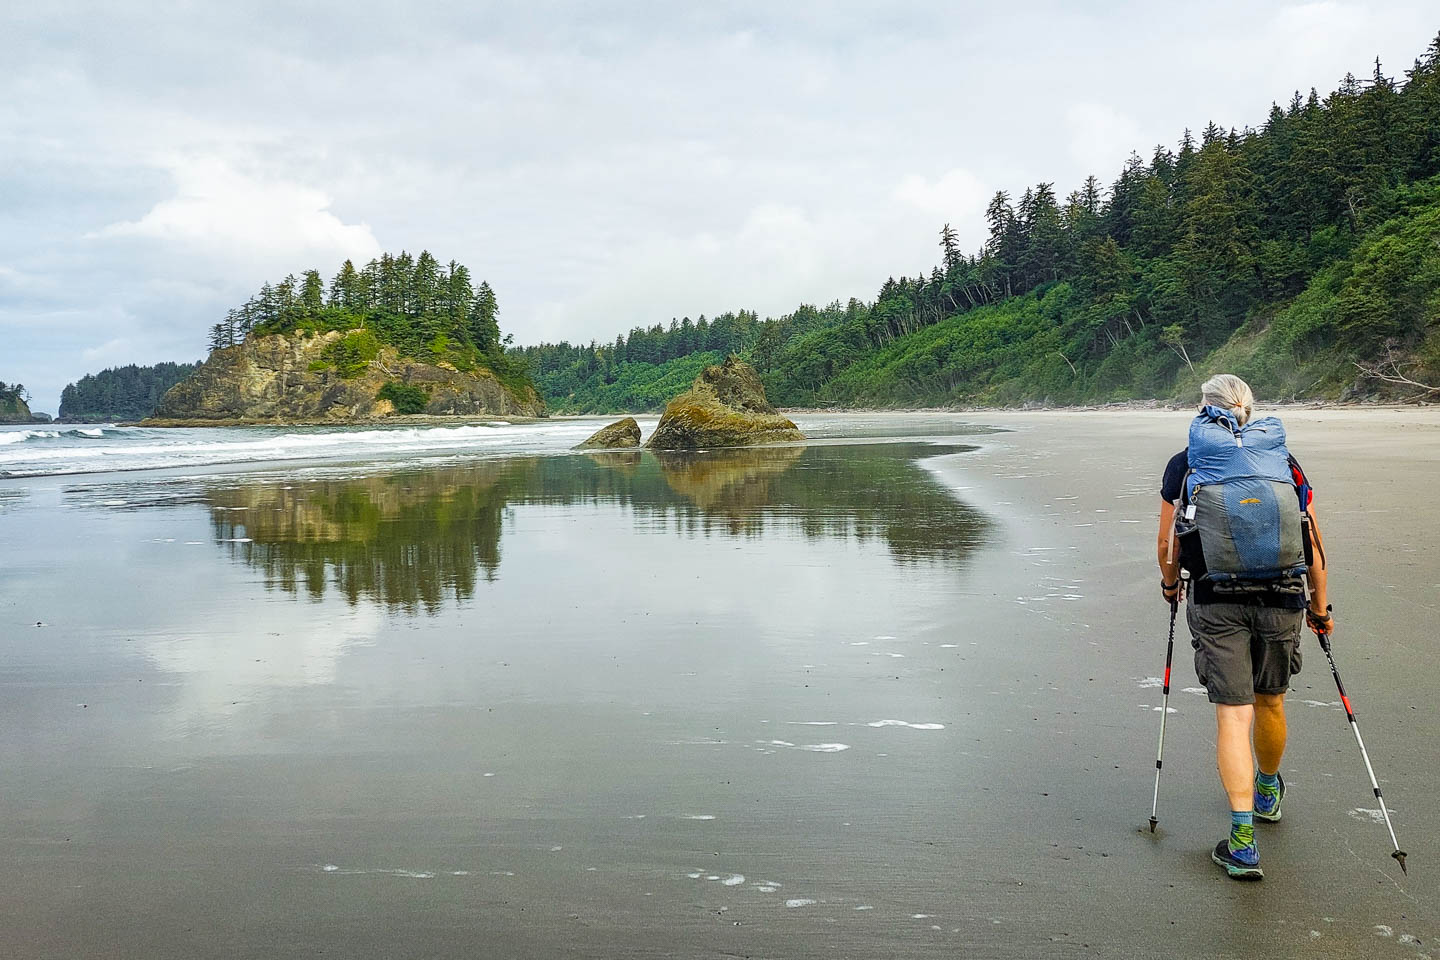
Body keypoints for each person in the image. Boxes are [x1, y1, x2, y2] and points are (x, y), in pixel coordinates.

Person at [1155, 374, 1331, 880]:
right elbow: (1312, 544)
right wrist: (1321, 609)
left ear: (1203, 411)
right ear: (1252, 411)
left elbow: (1167, 546)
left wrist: (1171, 587)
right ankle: (1269, 791)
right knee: (1271, 700)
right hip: (1282, 596)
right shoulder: (1285, 462)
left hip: (1216, 600)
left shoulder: (1186, 463)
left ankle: (1243, 842)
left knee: (1234, 716)